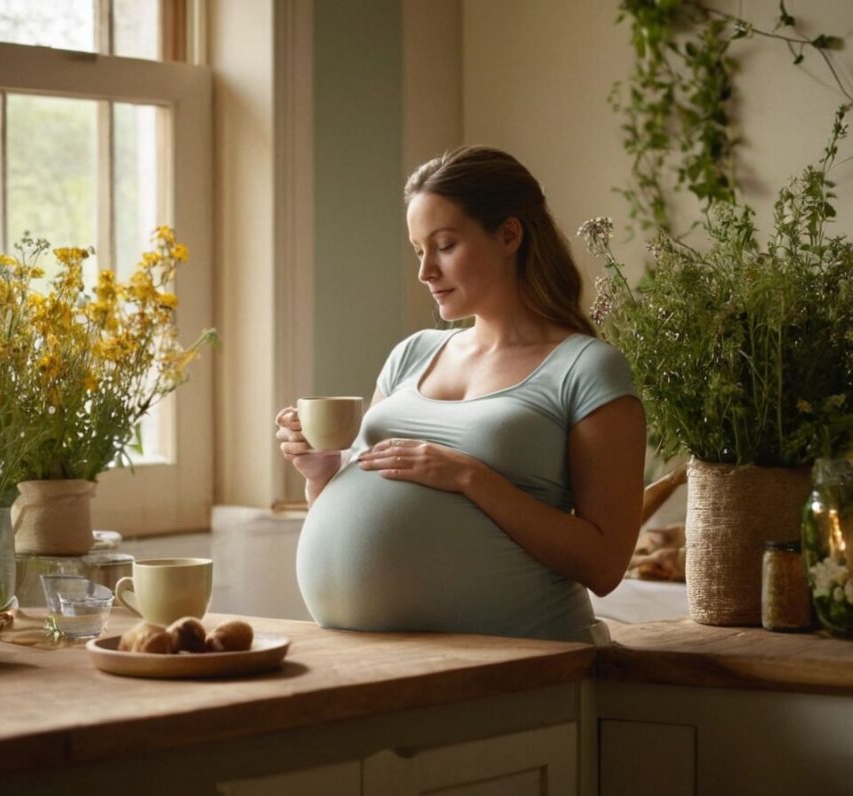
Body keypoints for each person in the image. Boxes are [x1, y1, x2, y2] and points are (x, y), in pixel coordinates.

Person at [275, 146, 646, 643]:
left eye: (445, 245)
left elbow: (605, 566)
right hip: (370, 660)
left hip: (517, 663)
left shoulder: (586, 368)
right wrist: (323, 474)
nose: (425, 271)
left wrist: (471, 477)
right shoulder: (411, 355)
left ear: (509, 235)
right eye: (417, 251)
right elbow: (361, 512)